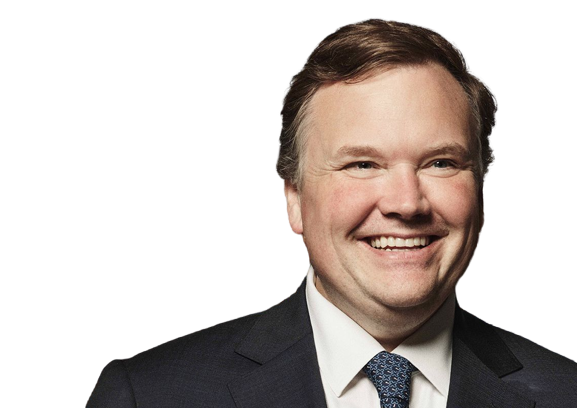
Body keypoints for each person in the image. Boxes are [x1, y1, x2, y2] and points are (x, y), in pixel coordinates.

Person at [86, 18, 576, 407]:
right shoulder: (148, 396)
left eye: (441, 163)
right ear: (294, 199)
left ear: (480, 192)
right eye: (362, 164)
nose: (406, 203)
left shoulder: (566, 391)